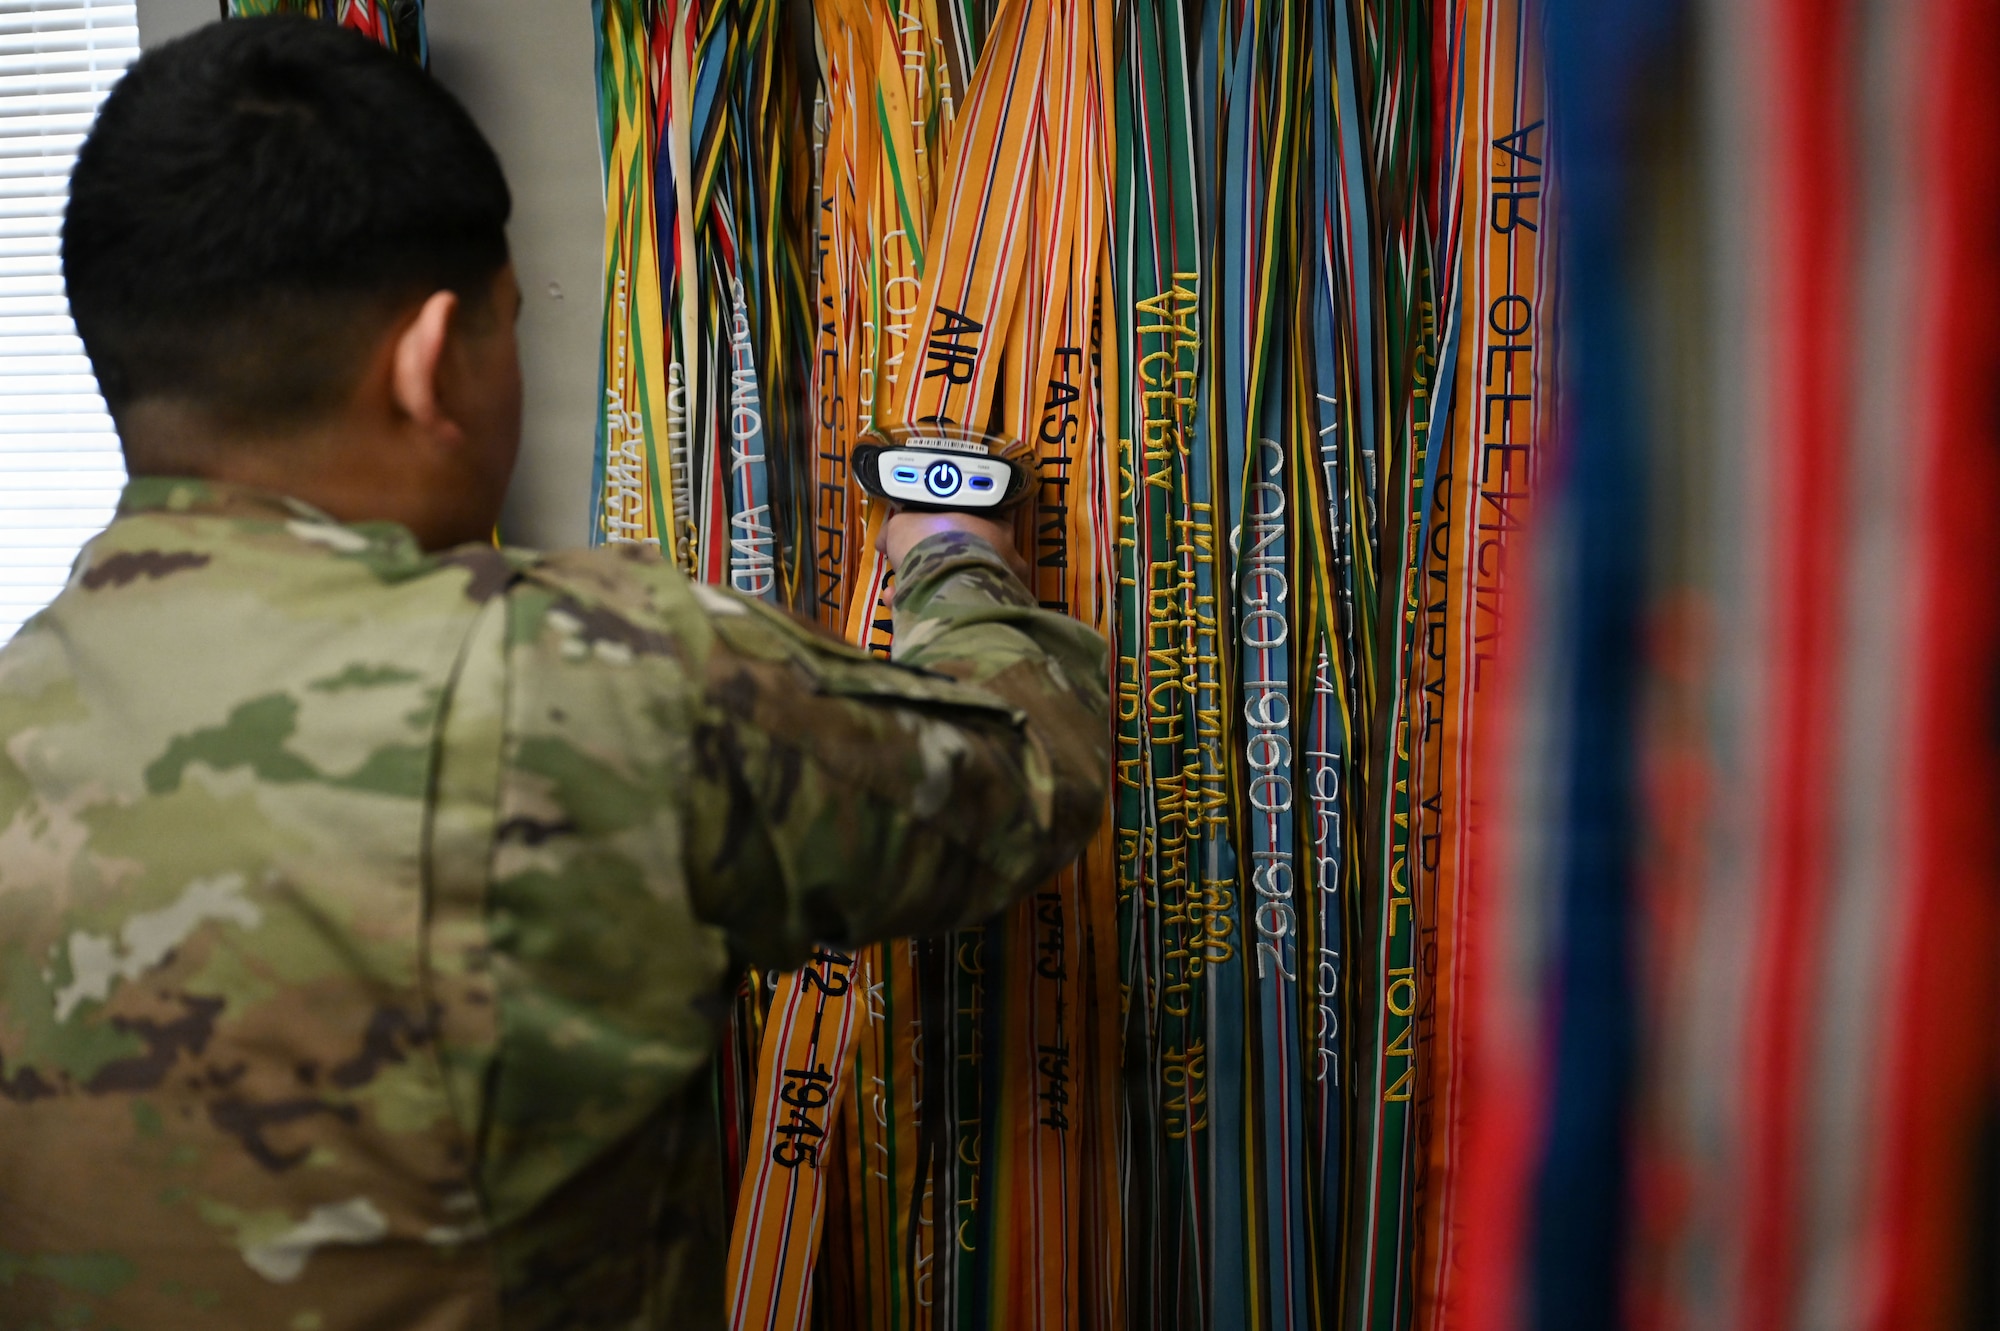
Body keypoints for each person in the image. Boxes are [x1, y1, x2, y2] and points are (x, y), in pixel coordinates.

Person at [0, 17, 1108, 1330]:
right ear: (427, 363)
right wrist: (950, 563)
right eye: (510, 327)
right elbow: (1018, 778)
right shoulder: (585, 680)